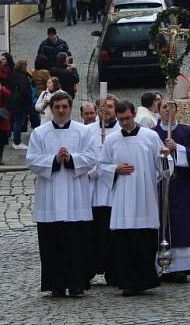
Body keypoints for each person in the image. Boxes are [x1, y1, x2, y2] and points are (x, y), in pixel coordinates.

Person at [26, 91, 98, 297]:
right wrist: (55, 160)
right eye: (57, 107)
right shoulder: (39, 133)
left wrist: (72, 158)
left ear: (70, 107)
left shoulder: (83, 132)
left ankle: (77, 284)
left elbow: (92, 157)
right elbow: (32, 160)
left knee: (76, 244)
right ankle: (55, 284)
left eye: (64, 107)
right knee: (52, 245)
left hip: (76, 196)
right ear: (51, 108)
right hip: (49, 196)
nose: (60, 111)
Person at [101, 100, 171, 296]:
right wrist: (115, 169)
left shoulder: (150, 136)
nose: (125, 122)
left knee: (144, 241)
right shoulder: (112, 140)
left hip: (145, 196)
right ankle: (127, 282)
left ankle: (145, 280)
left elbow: (164, 168)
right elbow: (101, 166)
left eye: (128, 118)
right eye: (121, 119)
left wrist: (166, 157)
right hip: (122, 198)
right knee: (123, 243)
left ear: (134, 115)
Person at [153, 100, 190, 282]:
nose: (168, 110)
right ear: (158, 111)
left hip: (182, 185)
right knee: (161, 223)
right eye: (164, 107)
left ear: (176, 111)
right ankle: (160, 265)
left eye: (171, 107)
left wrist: (178, 149)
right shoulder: (152, 133)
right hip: (160, 186)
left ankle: (180, 267)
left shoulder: (187, 131)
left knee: (182, 224)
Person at [88, 95, 119, 284]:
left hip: (114, 191)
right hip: (93, 190)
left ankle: (113, 271)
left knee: (112, 235)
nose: (105, 110)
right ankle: (91, 269)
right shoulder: (88, 131)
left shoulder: (120, 131)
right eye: (102, 107)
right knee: (94, 234)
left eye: (109, 106)